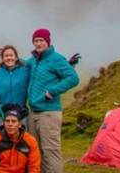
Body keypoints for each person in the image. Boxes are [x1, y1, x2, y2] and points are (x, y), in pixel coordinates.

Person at [25, 28, 80, 173]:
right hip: (33, 113)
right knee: (36, 152)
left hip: (49, 113)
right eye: (35, 41)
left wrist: (52, 91)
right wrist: (7, 57)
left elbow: (73, 78)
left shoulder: (56, 58)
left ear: (48, 42)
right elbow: (21, 65)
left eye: (41, 40)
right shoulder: (33, 60)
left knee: (50, 151)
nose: (38, 43)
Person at [0, 105, 41, 173]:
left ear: (19, 124)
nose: (10, 124)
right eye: (7, 121)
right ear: (3, 123)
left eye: (13, 121)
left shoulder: (30, 141)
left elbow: (34, 167)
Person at [0, 46, 29, 132]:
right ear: (2, 58)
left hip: (21, 114)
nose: (9, 58)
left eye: (11, 55)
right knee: (2, 142)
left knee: (22, 143)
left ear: (16, 57)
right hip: (2, 114)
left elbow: (29, 63)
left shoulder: (25, 71)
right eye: (6, 56)